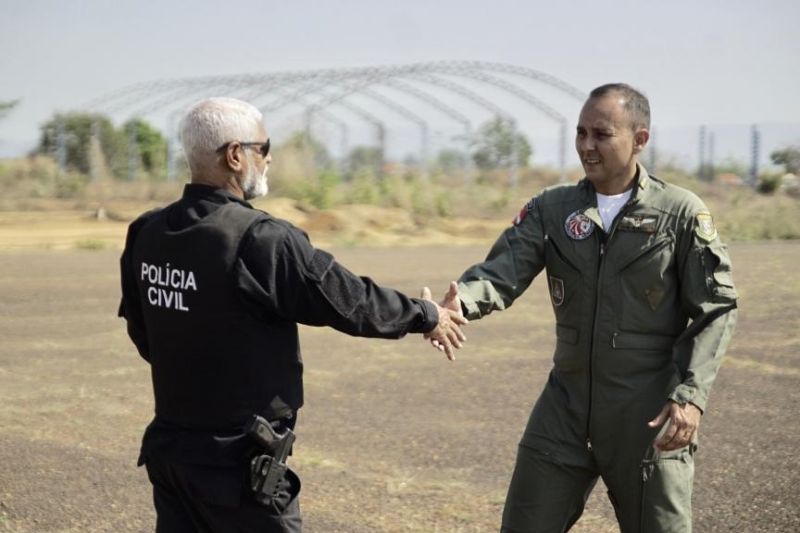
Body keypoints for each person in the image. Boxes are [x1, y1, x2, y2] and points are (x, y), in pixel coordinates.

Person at [118, 97, 467, 533]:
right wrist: (424, 314)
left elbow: (145, 334)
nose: (269, 159)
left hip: (172, 457)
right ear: (234, 155)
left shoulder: (148, 232)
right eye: (264, 149)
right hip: (238, 470)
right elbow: (351, 301)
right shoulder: (262, 240)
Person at [432, 83, 738, 532]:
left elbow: (717, 308)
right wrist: (462, 303)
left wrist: (690, 397)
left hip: (646, 416)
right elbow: (501, 273)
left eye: (601, 134)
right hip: (565, 410)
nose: (587, 146)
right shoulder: (552, 209)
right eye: (580, 133)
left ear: (639, 139)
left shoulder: (680, 213)